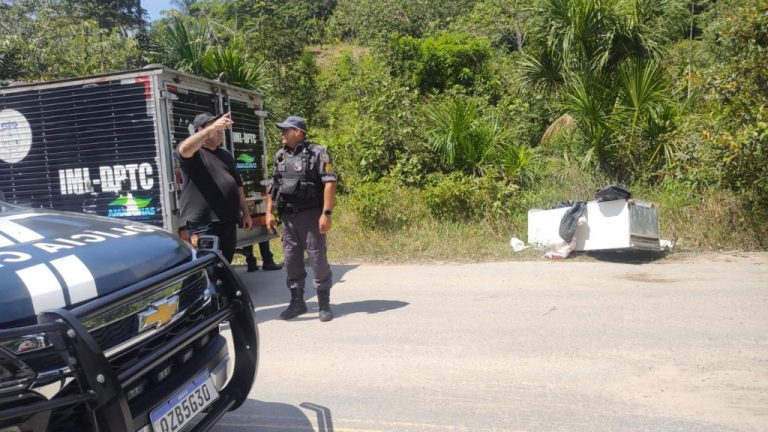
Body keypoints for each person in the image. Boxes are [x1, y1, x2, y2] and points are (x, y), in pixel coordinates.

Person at [266, 115, 337, 322]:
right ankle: (297, 302)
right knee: (291, 260)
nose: (282, 134)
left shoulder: (318, 153)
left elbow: (330, 182)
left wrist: (326, 213)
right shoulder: (280, 155)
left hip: (311, 216)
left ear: (297, 132)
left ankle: (324, 303)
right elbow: (273, 185)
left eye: (285, 130)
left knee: (317, 257)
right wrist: (269, 212)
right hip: (288, 217)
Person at [177, 112, 252, 262]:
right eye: (214, 126)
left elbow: (238, 185)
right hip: (204, 224)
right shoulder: (193, 152)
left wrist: (246, 212)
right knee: (207, 268)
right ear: (200, 130)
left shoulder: (225, 155)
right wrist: (209, 130)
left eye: (220, 127)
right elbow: (184, 149)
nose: (220, 130)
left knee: (225, 266)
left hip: (227, 221)